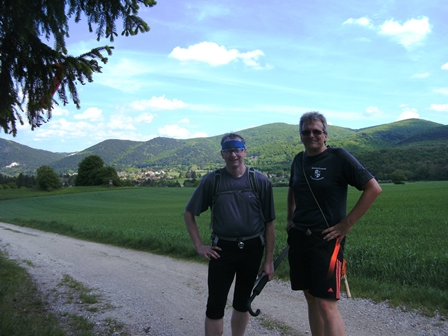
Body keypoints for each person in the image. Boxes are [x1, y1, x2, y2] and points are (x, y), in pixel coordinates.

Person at [286, 112, 382, 336]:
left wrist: (346, 225)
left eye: (316, 131)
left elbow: (373, 188)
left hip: (326, 241)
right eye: (306, 131)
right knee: (310, 298)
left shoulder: (339, 157)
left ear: (325, 135)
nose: (311, 135)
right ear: (300, 135)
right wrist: (290, 218)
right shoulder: (298, 161)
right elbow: (292, 188)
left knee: (327, 304)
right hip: (300, 238)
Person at [184, 133, 276, 336]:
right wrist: (199, 246)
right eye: (228, 150)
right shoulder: (212, 181)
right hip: (221, 250)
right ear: (222, 154)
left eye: (237, 149)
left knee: (243, 302)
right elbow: (189, 214)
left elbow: (270, 223)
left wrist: (268, 261)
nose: (233, 154)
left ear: (245, 151)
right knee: (215, 304)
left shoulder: (260, 181)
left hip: (252, 248)